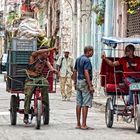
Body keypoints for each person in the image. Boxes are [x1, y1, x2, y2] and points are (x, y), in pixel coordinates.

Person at [23, 47, 58, 124]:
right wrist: (51, 49)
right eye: (46, 53)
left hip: (39, 77)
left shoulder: (45, 60)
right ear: (42, 52)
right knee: (28, 95)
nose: (47, 54)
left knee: (45, 83)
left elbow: (49, 66)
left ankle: (45, 104)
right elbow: (38, 51)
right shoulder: (34, 56)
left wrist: (53, 70)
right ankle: (26, 114)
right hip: (30, 78)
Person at [73, 46, 94, 130]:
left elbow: (75, 71)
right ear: (89, 51)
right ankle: (84, 124)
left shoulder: (78, 59)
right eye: (92, 51)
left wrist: (74, 82)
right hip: (85, 82)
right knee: (85, 104)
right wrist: (90, 85)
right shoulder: (87, 60)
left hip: (79, 81)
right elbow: (86, 72)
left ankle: (78, 123)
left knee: (79, 103)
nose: (92, 53)